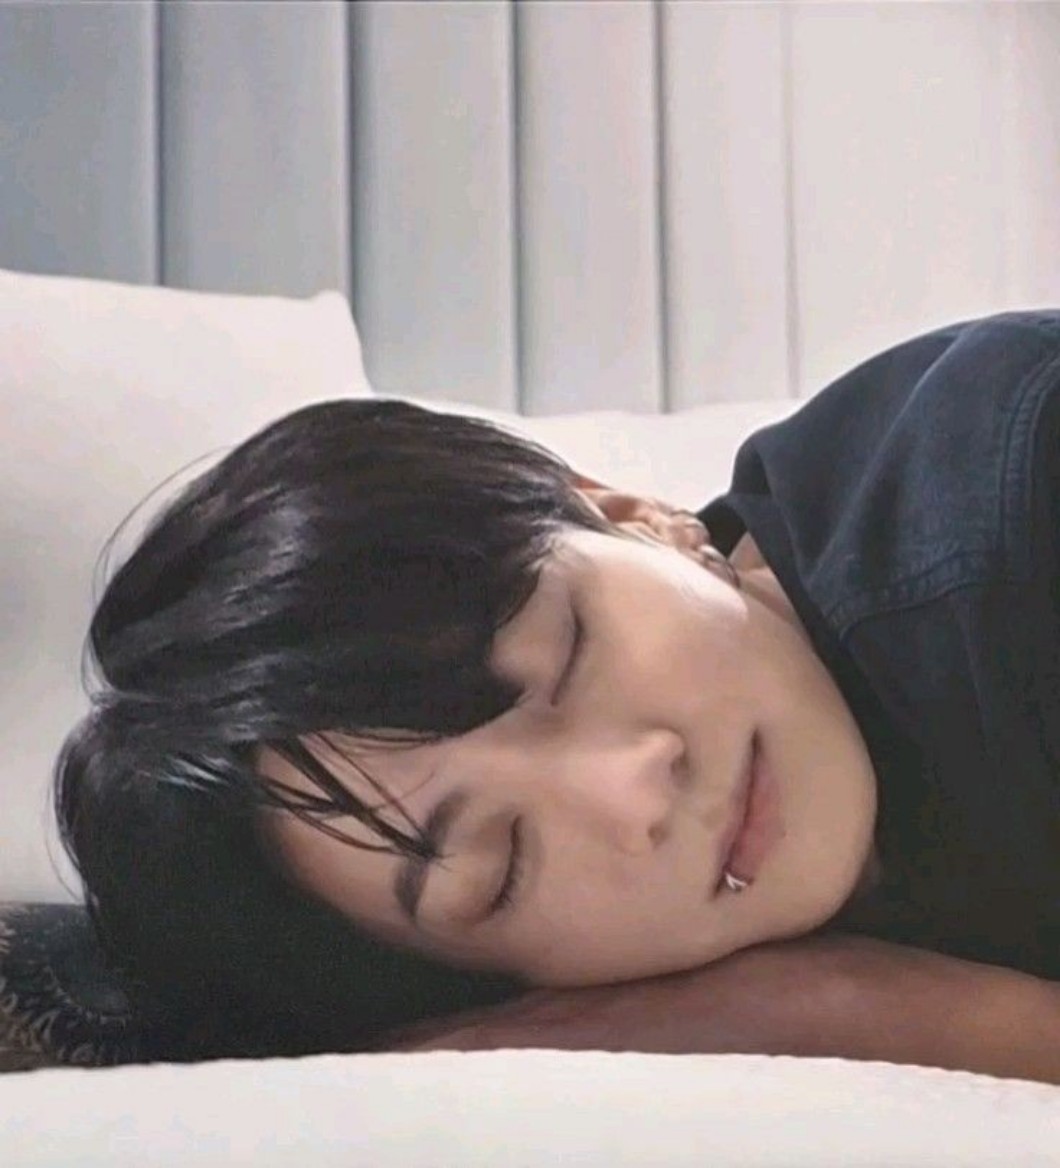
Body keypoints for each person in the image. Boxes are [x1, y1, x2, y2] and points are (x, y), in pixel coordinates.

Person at [53, 309, 1060, 1066]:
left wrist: (875, 1011)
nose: (634, 789)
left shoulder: (1010, 508)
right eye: (502, 866)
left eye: (573, 654)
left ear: (633, 515)